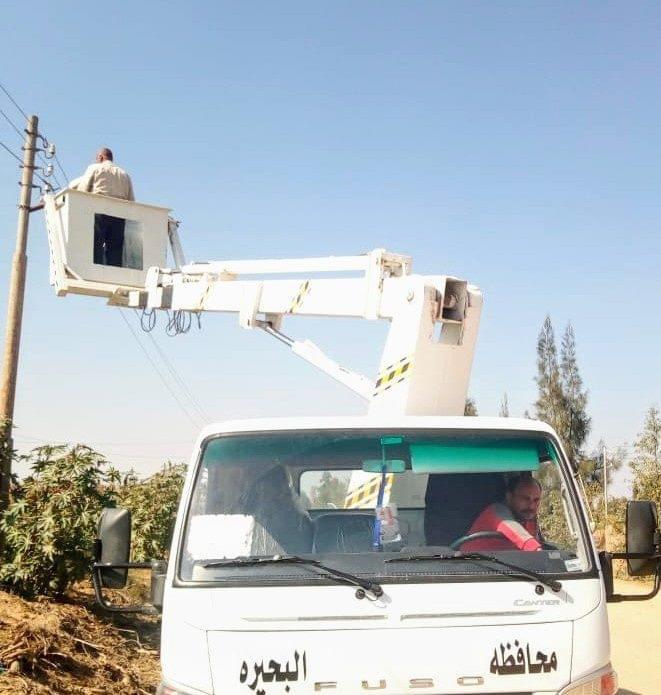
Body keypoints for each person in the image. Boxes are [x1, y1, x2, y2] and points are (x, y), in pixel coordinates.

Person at [71, 148, 135, 267]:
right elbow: (131, 200)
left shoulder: (94, 168)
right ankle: (114, 271)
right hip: (119, 215)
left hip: (99, 211)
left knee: (96, 245)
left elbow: (82, 190)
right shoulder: (125, 174)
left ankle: (96, 269)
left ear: (100, 157)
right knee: (115, 250)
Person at [461, 473, 544, 552]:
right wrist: (537, 551)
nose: (531, 506)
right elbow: (517, 532)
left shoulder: (528, 516)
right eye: (525, 499)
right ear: (509, 497)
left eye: (536, 500)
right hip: (472, 560)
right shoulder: (497, 512)